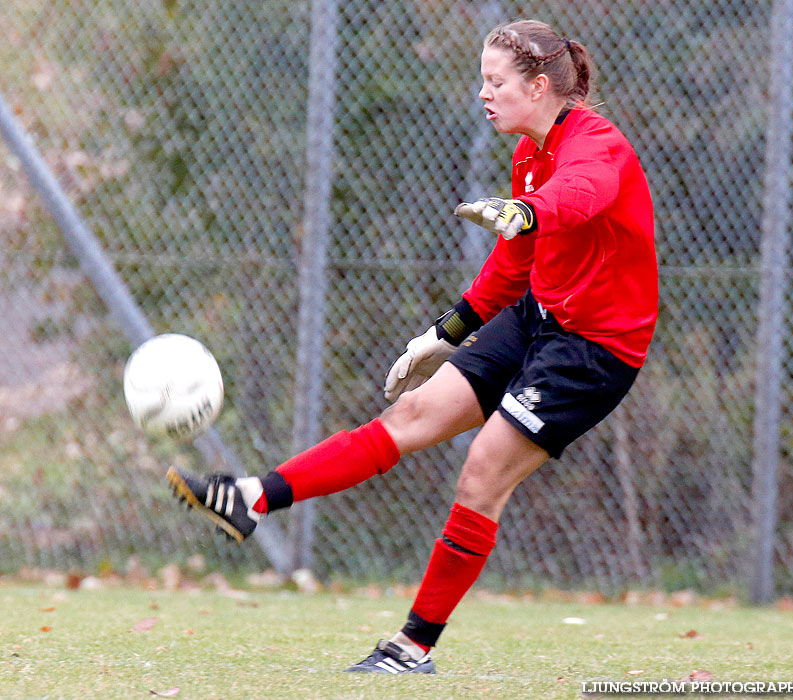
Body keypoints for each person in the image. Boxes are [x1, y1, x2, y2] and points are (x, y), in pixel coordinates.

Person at [167, 19, 658, 674]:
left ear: (539, 87)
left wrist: (531, 211)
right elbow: (515, 265)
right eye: (483, 81)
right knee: (409, 418)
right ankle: (252, 497)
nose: (484, 94)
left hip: (593, 350)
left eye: (496, 82)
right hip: (539, 315)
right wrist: (443, 334)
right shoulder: (529, 154)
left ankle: (411, 647)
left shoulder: (597, 144)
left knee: (482, 471)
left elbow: (583, 193)